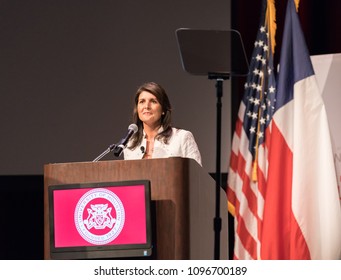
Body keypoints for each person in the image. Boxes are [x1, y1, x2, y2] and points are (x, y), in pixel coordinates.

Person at [123, 82, 202, 166]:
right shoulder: (130, 144)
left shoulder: (182, 137)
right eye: (142, 101)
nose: (146, 106)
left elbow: (197, 176)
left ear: (163, 109)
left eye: (153, 101)